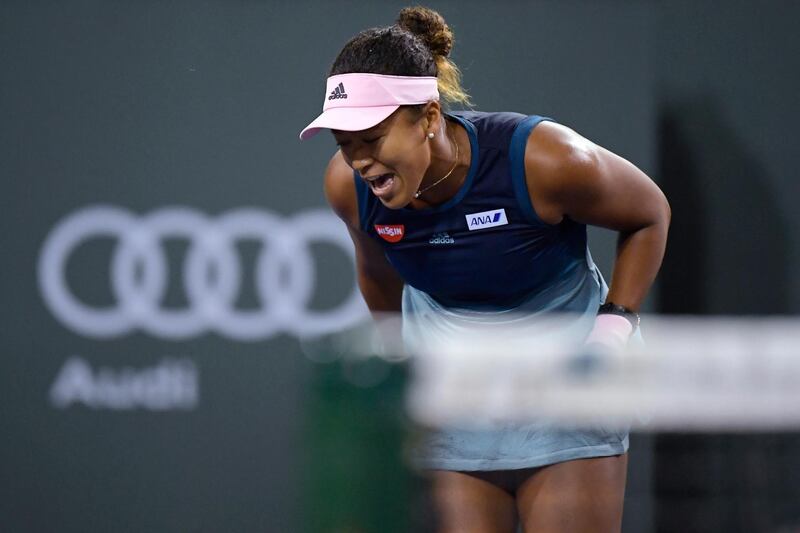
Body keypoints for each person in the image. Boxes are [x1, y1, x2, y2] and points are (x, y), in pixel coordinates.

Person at [300, 6, 670, 533]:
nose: (359, 160)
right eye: (346, 144)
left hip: (565, 384)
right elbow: (377, 271)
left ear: (428, 117)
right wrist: (401, 360)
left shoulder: (546, 161)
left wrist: (613, 327)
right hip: (456, 396)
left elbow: (649, 215)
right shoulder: (348, 187)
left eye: (372, 138)